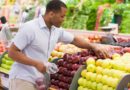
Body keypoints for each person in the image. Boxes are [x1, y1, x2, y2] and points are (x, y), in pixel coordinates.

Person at [8, 0, 110, 90]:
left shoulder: (56, 30)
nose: (64, 19)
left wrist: (93, 46)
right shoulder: (30, 28)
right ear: (51, 14)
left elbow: (74, 39)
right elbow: (12, 52)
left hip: (39, 80)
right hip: (22, 79)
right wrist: (36, 63)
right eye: (62, 16)